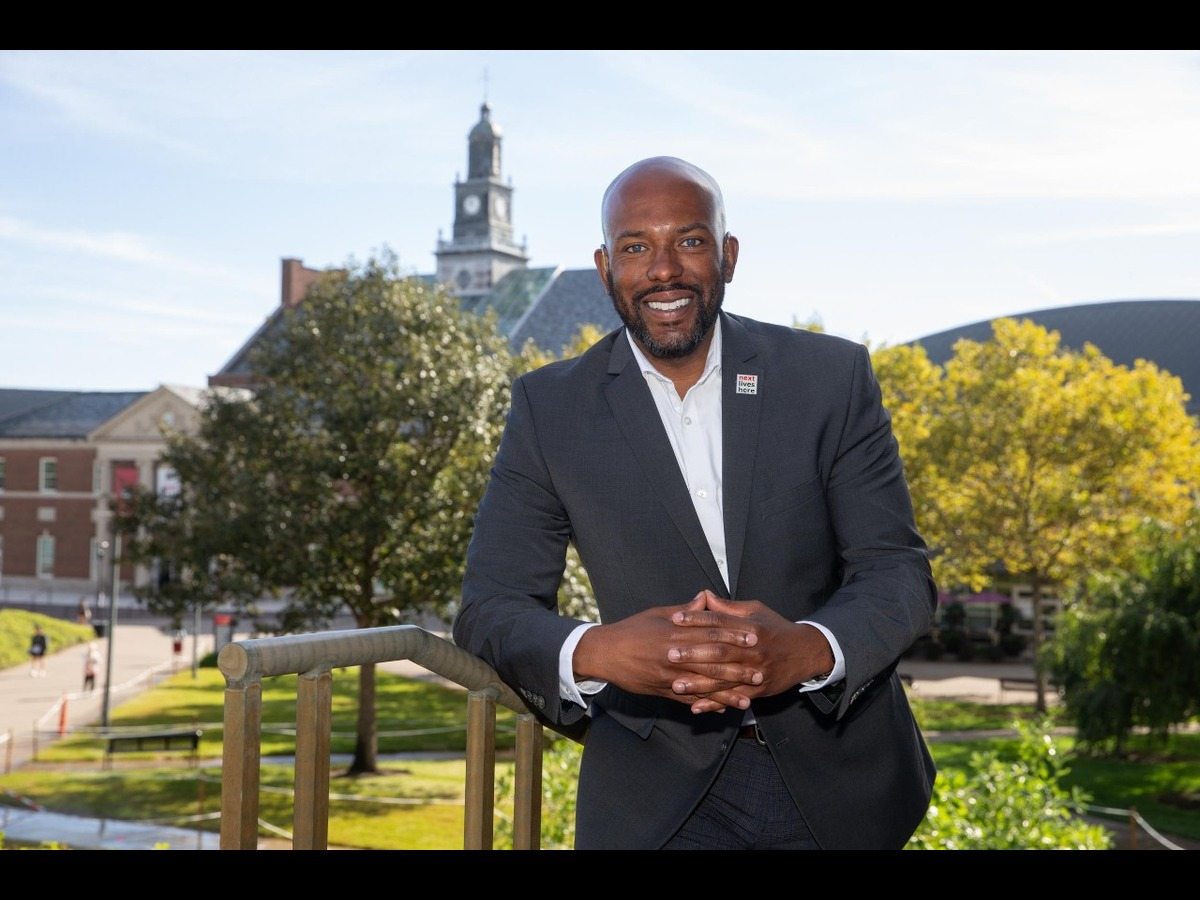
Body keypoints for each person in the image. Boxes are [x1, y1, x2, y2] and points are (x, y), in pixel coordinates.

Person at [453, 157, 938, 851]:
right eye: (635, 247)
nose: (663, 269)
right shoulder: (548, 409)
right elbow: (490, 609)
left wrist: (806, 650)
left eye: (689, 240)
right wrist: (600, 651)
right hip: (658, 795)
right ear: (604, 267)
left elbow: (897, 572)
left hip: (841, 780)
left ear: (728, 255)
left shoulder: (830, 378)